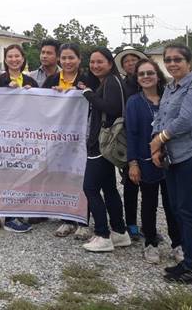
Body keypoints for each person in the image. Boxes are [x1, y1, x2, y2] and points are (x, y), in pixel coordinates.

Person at [150, 44, 192, 284]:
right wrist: (157, 145)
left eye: (177, 59)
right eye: (168, 60)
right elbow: (161, 116)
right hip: (173, 156)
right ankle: (185, 261)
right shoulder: (171, 88)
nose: (172, 64)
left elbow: (186, 120)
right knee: (177, 209)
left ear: (189, 62)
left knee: (188, 211)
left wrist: (159, 139)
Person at [126, 58, 183, 265]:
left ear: (157, 75)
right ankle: (150, 243)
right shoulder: (134, 102)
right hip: (146, 160)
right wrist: (132, 163)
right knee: (149, 204)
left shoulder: (170, 98)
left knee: (173, 205)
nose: (146, 77)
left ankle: (178, 243)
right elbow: (130, 134)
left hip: (172, 160)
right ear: (137, 78)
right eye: (141, 74)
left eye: (150, 73)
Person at [77, 47, 131, 252]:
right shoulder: (109, 82)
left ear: (110, 63)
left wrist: (88, 94)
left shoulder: (112, 83)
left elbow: (111, 109)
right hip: (105, 144)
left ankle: (102, 234)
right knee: (109, 188)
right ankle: (119, 231)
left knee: (90, 188)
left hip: (103, 144)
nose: (95, 66)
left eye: (100, 62)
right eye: (92, 62)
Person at [42, 42, 90, 238]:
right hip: (58, 139)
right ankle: (66, 219)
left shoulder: (88, 79)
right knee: (61, 177)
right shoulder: (52, 79)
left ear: (79, 59)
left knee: (83, 180)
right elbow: (40, 105)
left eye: (72, 58)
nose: (68, 62)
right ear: (59, 60)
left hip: (82, 138)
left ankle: (83, 220)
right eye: (64, 58)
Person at [0, 44, 38, 234]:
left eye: (17, 56)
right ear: (5, 59)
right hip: (5, 136)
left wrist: (30, 93)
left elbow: (40, 108)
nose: (14, 59)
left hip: (25, 136)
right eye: (10, 56)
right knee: (7, 176)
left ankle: (19, 212)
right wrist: (6, 91)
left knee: (22, 176)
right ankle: (9, 218)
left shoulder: (30, 81)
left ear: (23, 58)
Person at [114, 46, 149, 241]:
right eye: (126, 61)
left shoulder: (150, 82)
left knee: (149, 186)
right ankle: (131, 223)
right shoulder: (121, 84)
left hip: (150, 138)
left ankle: (148, 224)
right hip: (128, 138)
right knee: (130, 183)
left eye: (133, 60)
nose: (130, 63)